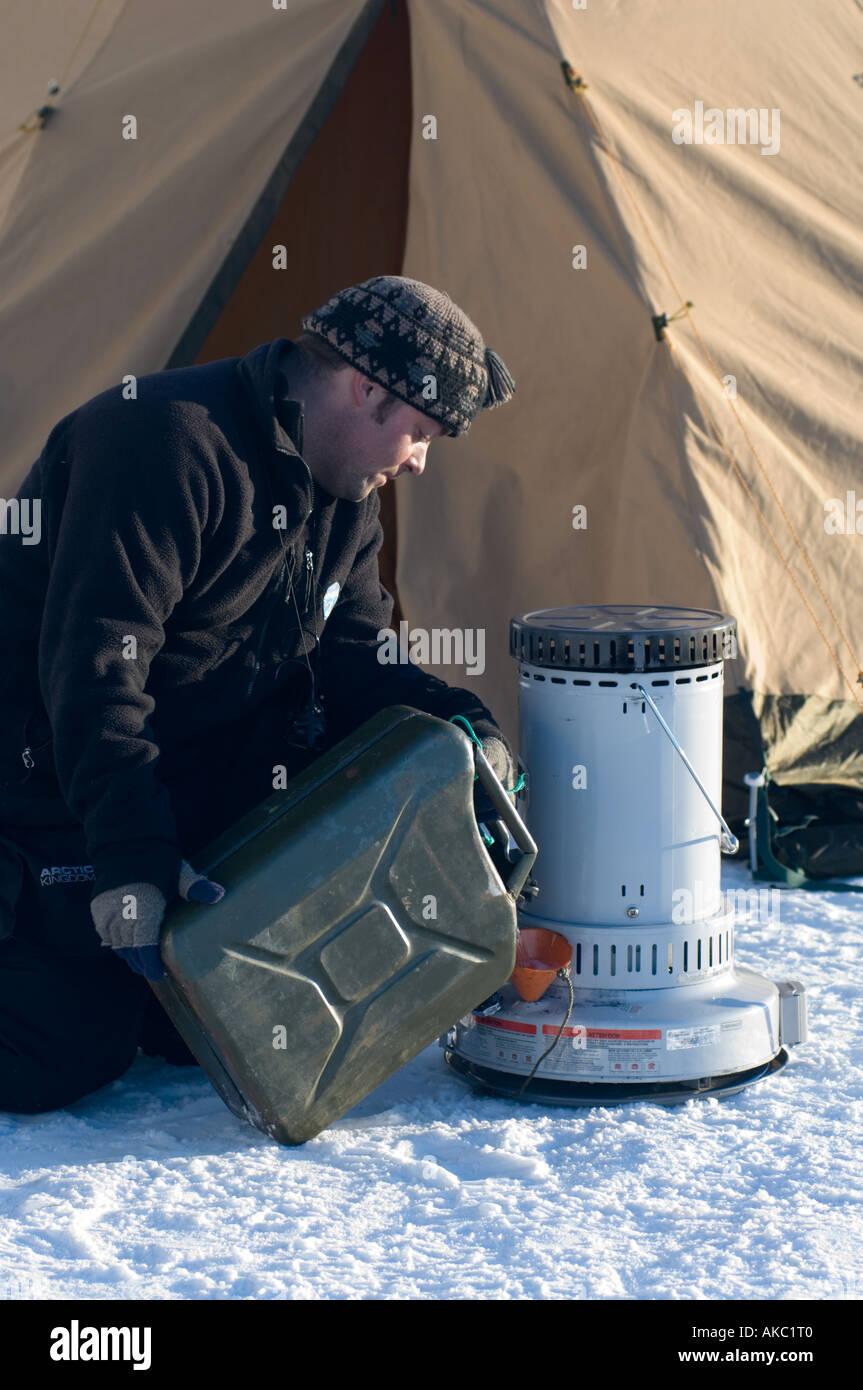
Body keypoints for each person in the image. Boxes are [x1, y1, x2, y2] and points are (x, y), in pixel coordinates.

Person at [0, 274, 517, 1113]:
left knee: (208, 1029)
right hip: (47, 777)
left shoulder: (344, 495)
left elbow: (352, 655)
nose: (418, 461)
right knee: (58, 1051)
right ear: (365, 388)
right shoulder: (162, 442)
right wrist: (131, 859)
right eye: (420, 434)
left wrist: (463, 725)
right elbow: (95, 672)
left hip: (200, 777)